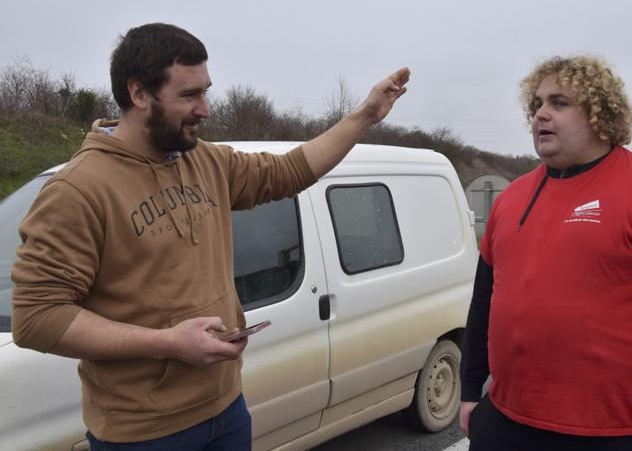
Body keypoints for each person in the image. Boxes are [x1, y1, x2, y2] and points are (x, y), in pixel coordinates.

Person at [11, 22, 409, 450]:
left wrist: (365, 115)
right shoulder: (78, 190)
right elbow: (36, 319)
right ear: (139, 93)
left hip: (226, 408)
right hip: (144, 434)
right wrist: (167, 343)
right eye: (189, 95)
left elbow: (292, 170)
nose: (205, 109)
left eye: (206, 91)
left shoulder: (204, 161)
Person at [459, 55, 632, 451]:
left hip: (621, 432)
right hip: (508, 423)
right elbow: (484, 299)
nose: (541, 115)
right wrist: (470, 391)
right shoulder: (511, 198)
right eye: (536, 105)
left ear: (601, 114)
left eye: (559, 102)